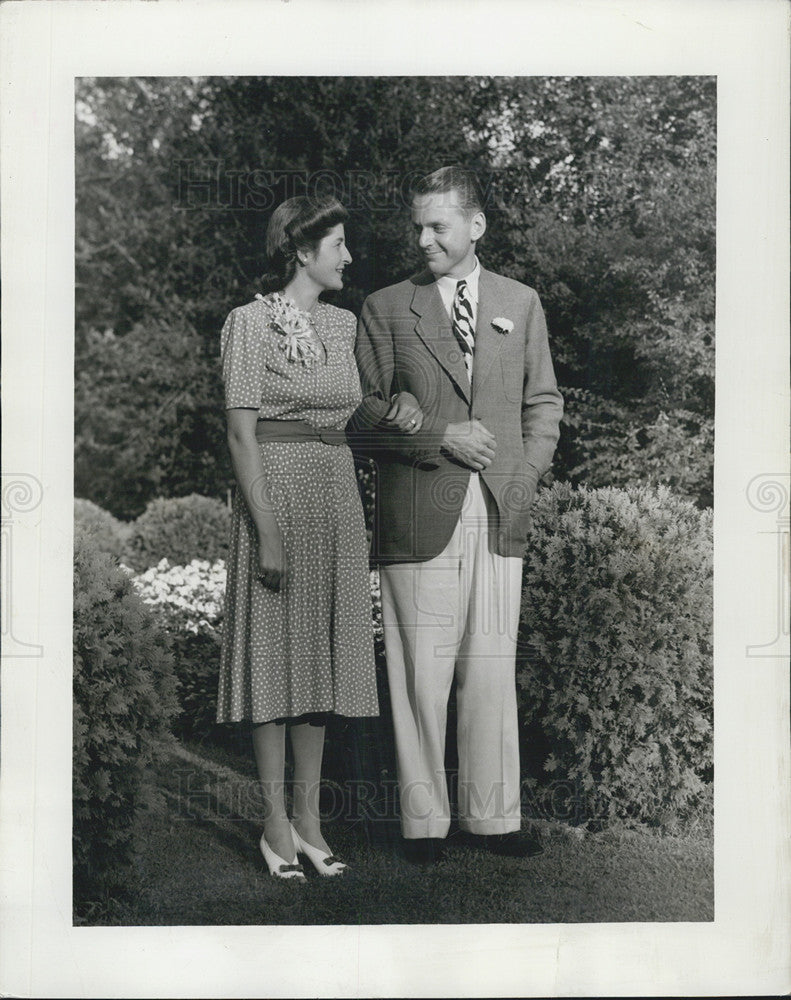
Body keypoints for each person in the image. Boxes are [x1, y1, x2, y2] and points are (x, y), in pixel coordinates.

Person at [352, 165, 563, 863]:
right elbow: (359, 416)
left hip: (501, 511)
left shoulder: (520, 302)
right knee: (421, 671)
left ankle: (494, 818)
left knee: (490, 665)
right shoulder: (385, 308)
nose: (423, 239)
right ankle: (422, 825)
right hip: (419, 510)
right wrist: (438, 436)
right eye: (417, 226)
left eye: (436, 225)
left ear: (475, 226)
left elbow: (543, 407)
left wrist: (524, 477)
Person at [217, 195, 378, 880]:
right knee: (274, 659)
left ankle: (310, 819)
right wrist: (267, 533)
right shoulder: (247, 324)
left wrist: (393, 413)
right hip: (275, 497)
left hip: (336, 497)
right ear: (300, 251)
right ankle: (274, 823)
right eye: (336, 244)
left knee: (321, 660)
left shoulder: (341, 325)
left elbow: (346, 410)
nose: (347, 255)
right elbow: (239, 433)